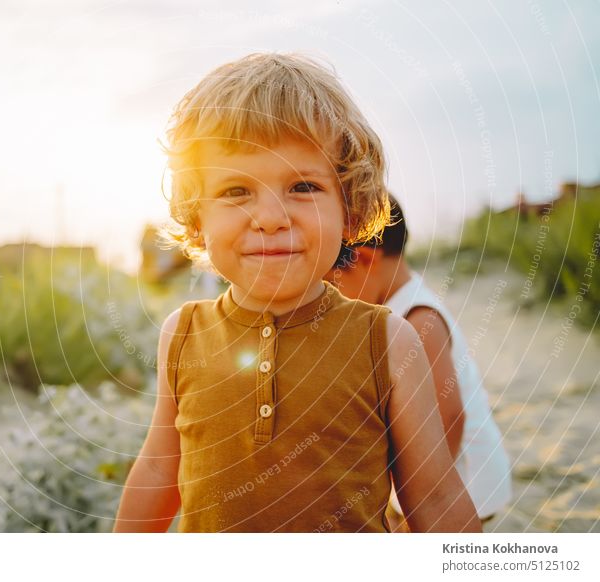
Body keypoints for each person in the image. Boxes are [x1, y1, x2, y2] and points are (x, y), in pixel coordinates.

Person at [113, 53, 480, 533]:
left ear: (349, 209)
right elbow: (160, 471)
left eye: (303, 186)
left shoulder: (388, 340)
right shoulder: (181, 334)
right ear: (197, 218)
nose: (270, 217)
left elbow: (434, 497)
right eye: (236, 191)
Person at [325, 196, 512, 526]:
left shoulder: (418, 319)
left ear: (365, 259)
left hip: (466, 484)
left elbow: (448, 415)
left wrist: (423, 506)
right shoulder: (400, 304)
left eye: (331, 281)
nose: (332, 296)